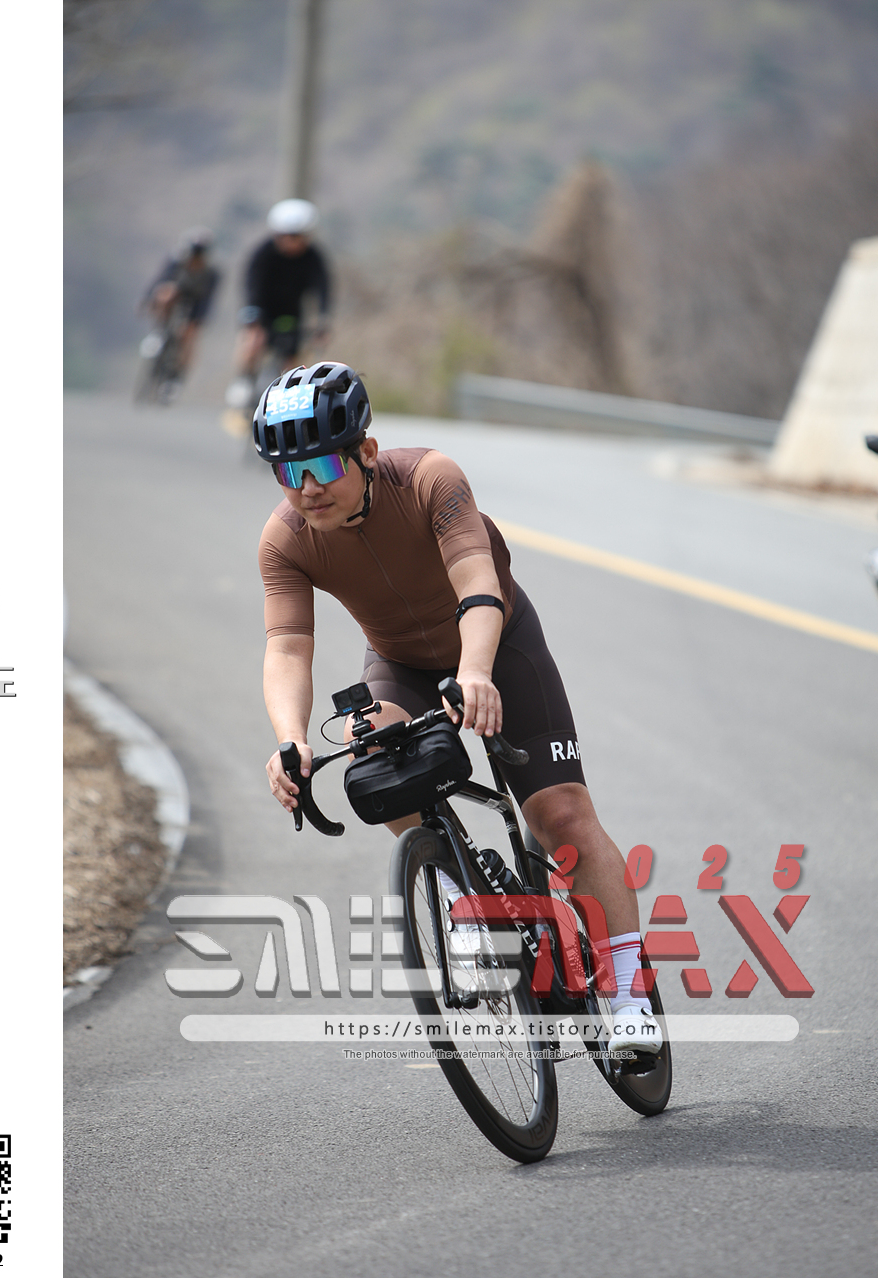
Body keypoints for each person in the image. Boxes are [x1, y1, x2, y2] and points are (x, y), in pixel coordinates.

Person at [256, 361, 662, 1056]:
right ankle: (458, 896)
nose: (307, 489)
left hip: (497, 640)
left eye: (322, 465)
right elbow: (288, 644)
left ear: (366, 451)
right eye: (288, 472)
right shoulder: (285, 540)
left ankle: (628, 995)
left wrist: (475, 671)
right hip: (400, 662)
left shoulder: (429, 479)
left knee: (562, 816)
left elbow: (476, 578)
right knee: (372, 759)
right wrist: (290, 738)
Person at [224, 199, 333, 413]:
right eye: (286, 236)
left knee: (292, 362)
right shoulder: (264, 253)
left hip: (292, 313)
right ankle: (243, 379)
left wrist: (322, 318)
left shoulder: (313, 257)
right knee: (253, 340)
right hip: (262, 310)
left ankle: (286, 398)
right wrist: (252, 311)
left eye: (297, 236)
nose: (291, 242)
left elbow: (323, 288)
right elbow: (252, 283)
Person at [140, 227, 220, 386]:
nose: (195, 259)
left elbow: (207, 299)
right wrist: (147, 300)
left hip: (196, 301)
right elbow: (159, 281)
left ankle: (177, 376)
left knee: (189, 335)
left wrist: (196, 321)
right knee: (167, 293)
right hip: (175, 296)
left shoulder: (211, 272)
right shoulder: (175, 262)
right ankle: (159, 332)